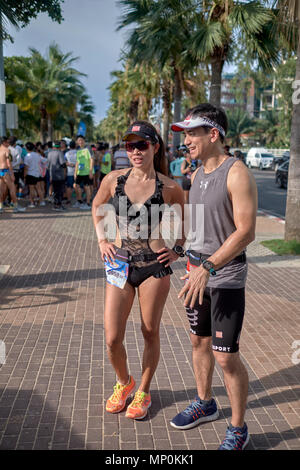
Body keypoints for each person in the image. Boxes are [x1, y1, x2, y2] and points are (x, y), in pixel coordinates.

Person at [170, 104, 257, 450]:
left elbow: (246, 231)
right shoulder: (195, 175)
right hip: (196, 273)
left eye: (192, 133)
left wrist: (208, 268)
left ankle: (238, 429)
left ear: (213, 134)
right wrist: (183, 253)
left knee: (225, 356)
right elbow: (200, 226)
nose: (186, 140)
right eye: (185, 134)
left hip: (225, 277)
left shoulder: (236, 172)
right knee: (198, 342)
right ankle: (205, 403)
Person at [92, 120, 185, 420]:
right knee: (112, 337)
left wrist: (177, 250)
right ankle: (124, 382)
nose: (135, 151)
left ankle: (143, 390)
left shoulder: (169, 186)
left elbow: (185, 224)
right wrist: (102, 239)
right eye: (130, 145)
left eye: (141, 144)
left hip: (153, 267)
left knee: (149, 331)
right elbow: (97, 207)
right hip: (119, 263)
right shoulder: (113, 180)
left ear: (154, 147)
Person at [0, 137, 26, 214]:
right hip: (6, 171)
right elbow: (9, 163)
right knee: (12, 189)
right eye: (7, 142)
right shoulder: (7, 150)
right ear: (4, 142)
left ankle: (1, 207)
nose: (8, 144)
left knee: (1, 190)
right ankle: (15, 206)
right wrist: (12, 174)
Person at [74, 135, 94, 210]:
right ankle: (80, 201)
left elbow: (92, 159)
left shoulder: (88, 148)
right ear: (77, 141)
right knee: (76, 186)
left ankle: (88, 203)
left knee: (87, 188)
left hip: (86, 172)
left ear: (84, 141)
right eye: (79, 140)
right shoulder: (78, 150)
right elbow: (77, 162)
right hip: (79, 172)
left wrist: (91, 171)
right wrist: (75, 173)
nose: (80, 142)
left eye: (82, 140)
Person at [24, 142, 46, 208]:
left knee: (31, 189)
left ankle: (32, 202)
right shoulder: (37, 155)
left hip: (30, 174)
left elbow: (26, 168)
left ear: (27, 148)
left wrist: (24, 176)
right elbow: (44, 161)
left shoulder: (27, 156)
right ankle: (42, 201)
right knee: (39, 188)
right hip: (37, 173)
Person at [47, 140, 67, 211]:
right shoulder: (60, 153)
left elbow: (48, 165)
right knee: (60, 191)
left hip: (52, 174)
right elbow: (63, 164)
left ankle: (55, 205)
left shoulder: (49, 153)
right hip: (59, 175)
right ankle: (59, 205)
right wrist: (67, 164)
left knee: (55, 190)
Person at [65, 140, 77, 204]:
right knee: (77, 186)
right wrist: (75, 165)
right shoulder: (78, 152)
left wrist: (70, 164)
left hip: (69, 172)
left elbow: (65, 162)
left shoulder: (66, 153)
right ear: (75, 146)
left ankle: (68, 199)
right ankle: (78, 200)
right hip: (77, 172)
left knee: (69, 187)